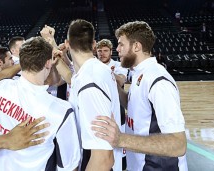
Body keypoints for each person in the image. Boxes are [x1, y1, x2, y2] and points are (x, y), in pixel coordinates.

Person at [91, 21, 188, 171]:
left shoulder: (158, 81)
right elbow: (134, 106)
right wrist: (113, 85)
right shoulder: (139, 73)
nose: (117, 49)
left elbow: (178, 144)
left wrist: (121, 139)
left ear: (137, 46)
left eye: (121, 44)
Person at [0, 37, 80, 171]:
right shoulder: (61, 110)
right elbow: (70, 166)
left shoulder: (1, 87)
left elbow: (47, 83)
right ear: (48, 63)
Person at [66, 19, 122, 171]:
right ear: (94, 44)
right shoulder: (94, 70)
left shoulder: (89, 83)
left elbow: (104, 159)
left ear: (67, 44)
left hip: (95, 161)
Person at [96, 38, 128, 170]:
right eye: (99, 51)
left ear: (111, 52)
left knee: (118, 141)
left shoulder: (118, 65)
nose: (102, 53)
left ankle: (121, 165)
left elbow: (120, 81)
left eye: (105, 51)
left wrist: (106, 71)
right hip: (99, 107)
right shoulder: (93, 65)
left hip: (117, 108)